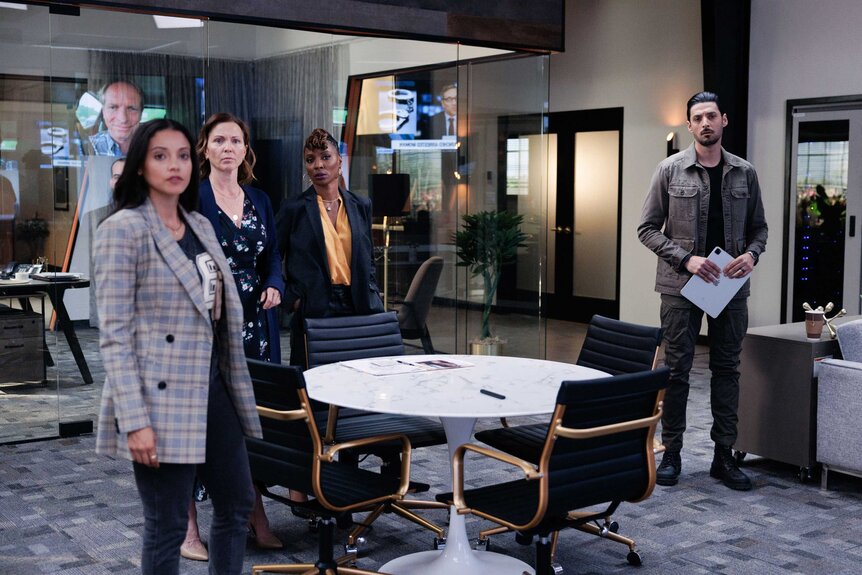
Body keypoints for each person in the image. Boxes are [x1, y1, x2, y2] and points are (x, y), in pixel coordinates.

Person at [93, 118, 262, 575]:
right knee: (167, 524)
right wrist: (135, 421)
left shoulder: (200, 225)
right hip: (158, 399)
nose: (175, 165)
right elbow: (115, 337)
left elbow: (218, 312)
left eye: (183, 155)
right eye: (160, 155)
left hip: (212, 387)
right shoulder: (122, 230)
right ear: (140, 166)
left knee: (238, 503)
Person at [637, 91, 768, 491]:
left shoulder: (744, 172)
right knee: (676, 371)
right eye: (698, 117)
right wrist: (686, 259)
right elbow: (645, 229)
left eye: (712, 115)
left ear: (724, 120)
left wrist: (752, 254)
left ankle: (723, 457)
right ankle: (672, 453)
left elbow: (759, 228)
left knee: (727, 370)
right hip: (681, 287)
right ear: (690, 126)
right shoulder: (670, 170)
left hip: (730, 286)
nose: (706, 122)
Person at [180, 112, 284, 559]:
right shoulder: (192, 198)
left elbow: (272, 255)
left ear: (245, 150)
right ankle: (188, 531)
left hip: (257, 329)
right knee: (197, 427)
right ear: (205, 148)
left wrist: (276, 284)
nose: (228, 148)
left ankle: (254, 513)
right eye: (219, 140)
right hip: (207, 327)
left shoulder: (259, 198)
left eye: (235, 141)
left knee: (249, 427)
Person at [280, 128, 385, 365]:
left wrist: (371, 289)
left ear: (339, 161)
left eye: (325, 157)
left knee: (359, 376)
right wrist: (292, 298)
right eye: (310, 159)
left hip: (359, 302)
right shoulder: (293, 208)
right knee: (312, 381)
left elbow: (367, 255)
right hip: (314, 304)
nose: (318, 165)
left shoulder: (361, 205)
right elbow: (271, 257)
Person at [89, 80, 143, 156]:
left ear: (141, 113)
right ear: (103, 112)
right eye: (113, 107)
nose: (123, 119)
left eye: (131, 108)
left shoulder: (154, 146)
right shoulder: (90, 146)